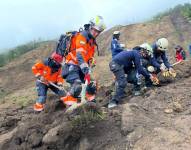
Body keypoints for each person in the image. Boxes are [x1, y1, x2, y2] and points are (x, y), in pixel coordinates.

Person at [60, 16, 106, 106]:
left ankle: (91, 104)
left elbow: (88, 57)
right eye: (95, 30)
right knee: (77, 86)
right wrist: (86, 70)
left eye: (98, 32)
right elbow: (80, 55)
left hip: (81, 68)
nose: (96, 33)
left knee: (92, 86)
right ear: (90, 27)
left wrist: (91, 62)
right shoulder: (82, 37)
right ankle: (68, 107)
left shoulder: (91, 41)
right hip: (72, 66)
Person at [108, 44, 159, 108]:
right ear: (144, 50)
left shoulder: (135, 53)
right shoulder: (137, 54)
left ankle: (136, 90)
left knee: (135, 74)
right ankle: (113, 101)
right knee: (122, 83)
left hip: (123, 65)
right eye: (147, 53)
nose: (147, 55)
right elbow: (140, 69)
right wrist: (149, 75)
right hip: (116, 64)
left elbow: (138, 69)